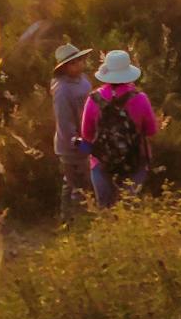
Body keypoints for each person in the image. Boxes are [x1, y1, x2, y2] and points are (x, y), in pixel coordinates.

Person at [76, 49, 158, 209]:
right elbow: (151, 130)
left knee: (105, 210)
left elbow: (86, 133)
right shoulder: (140, 99)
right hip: (135, 162)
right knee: (129, 210)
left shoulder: (94, 99)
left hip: (101, 163)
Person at [49, 41, 93, 220]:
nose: (81, 64)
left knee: (70, 183)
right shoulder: (62, 90)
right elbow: (65, 125)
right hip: (72, 146)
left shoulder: (83, 80)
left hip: (86, 137)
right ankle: (78, 224)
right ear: (66, 67)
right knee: (80, 186)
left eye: (81, 60)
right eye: (76, 62)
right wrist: (83, 146)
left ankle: (66, 221)